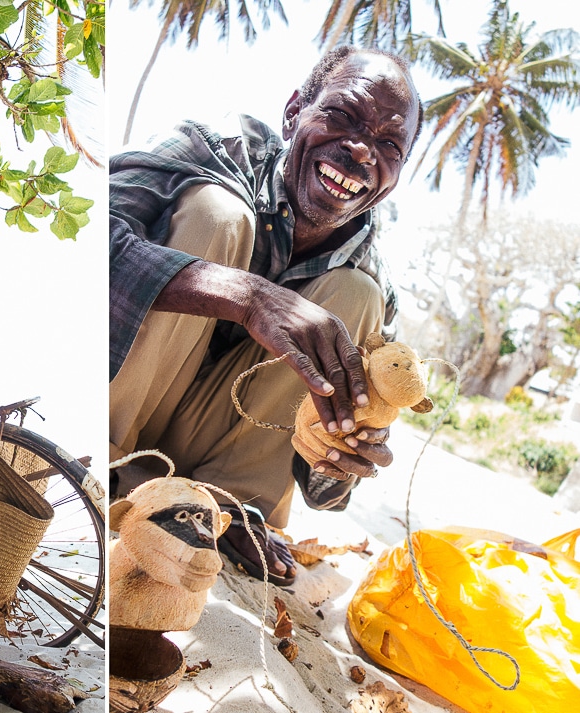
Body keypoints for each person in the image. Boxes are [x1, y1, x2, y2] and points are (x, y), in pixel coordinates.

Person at [109, 46, 422, 586]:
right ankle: (106, 467)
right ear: (295, 110)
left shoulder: (374, 283)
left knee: (355, 296)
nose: (360, 151)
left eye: (388, 144)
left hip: (204, 458)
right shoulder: (207, 150)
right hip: (118, 420)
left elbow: (320, 487)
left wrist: (338, 461)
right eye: (343, 116)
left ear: (396, 174)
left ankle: (226, 507)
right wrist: (247, 296)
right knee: (216, 214)